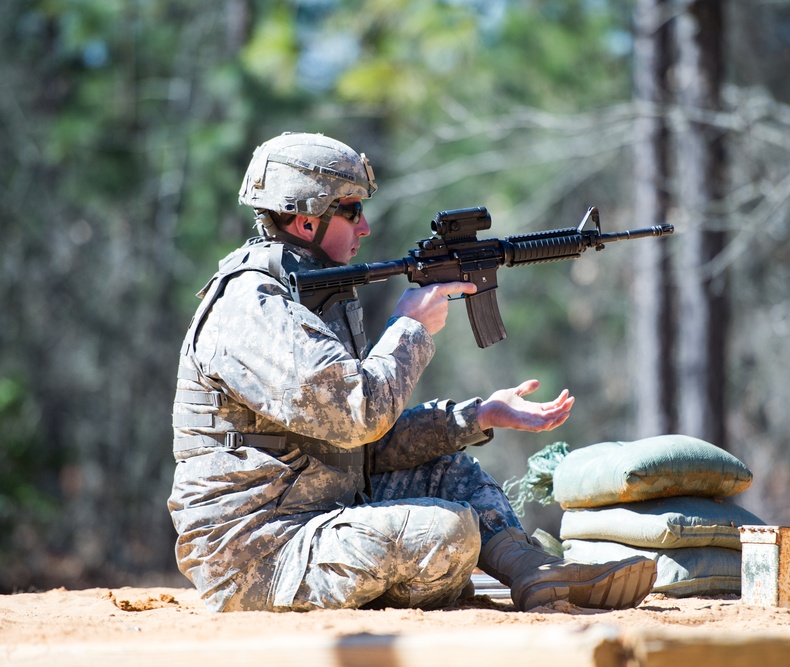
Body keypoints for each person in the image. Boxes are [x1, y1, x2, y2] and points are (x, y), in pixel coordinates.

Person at [168, 131, 656, 613]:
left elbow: (363, 450)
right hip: (255, 553)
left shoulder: (310, 293)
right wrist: (410, 328)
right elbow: (357, 416)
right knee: (446, 533)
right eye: (351, 209)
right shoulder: (252, 305)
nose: (365, 228)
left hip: (314, 512)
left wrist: (477, 416)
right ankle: (453, 583)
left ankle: (533, 571)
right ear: (303, 218)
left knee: (450, 470)